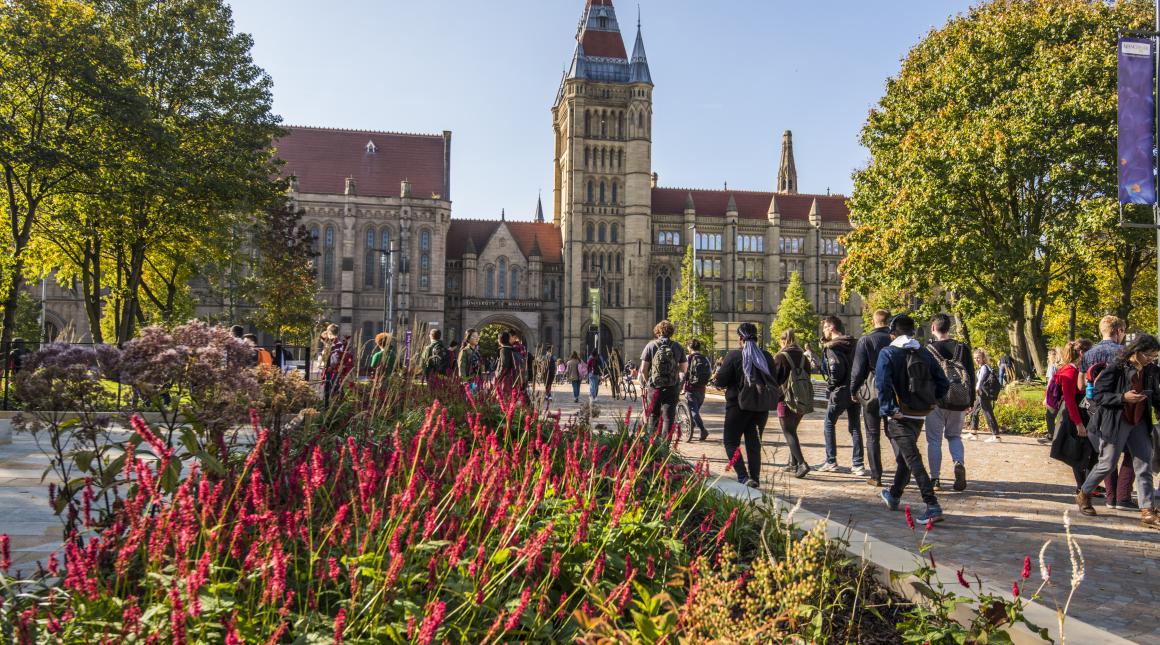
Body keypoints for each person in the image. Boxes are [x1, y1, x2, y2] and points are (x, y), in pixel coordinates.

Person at [1076, 333, 1160, 530]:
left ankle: (1147, 511)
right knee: (1107, 463)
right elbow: (1098, 395)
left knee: (1144, 465)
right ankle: (1084, 493)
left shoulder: (1150, 370)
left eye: (1154, 356)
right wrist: (1122, 397)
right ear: (1136, 351)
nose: (1151, 359)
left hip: (1139, 421)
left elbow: (1156, 396)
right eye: (1148, 355)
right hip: (1116, 420)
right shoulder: (1117, 367)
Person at [876, 314, 950, 523]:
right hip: (919, 413)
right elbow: (943, 383)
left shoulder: (888, 353)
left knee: (913, 459)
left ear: (893, 333)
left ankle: (932, 504)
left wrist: (889, 409)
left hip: (899, 414)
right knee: (906, 457)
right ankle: (894, 495)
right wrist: (932, 401)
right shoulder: (923, 352)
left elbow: (882, 383)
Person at [712, 322, 775, 488]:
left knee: (730, 442)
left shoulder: (734, 356)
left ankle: (743, 476)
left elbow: (721, 380)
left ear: (740, 338)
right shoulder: (766, 356)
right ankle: (755, 478)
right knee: (754, 444)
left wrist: (717, 382)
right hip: (760, 406)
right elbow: (773, 378)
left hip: (737, 406)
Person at [1081, 316, 1134, 509]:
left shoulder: (1089, 354)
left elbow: (1081, 384)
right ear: (1119, 331)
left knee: (1106, 453)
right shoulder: (1124, 353)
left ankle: (1111, 497)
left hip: (1094, 407)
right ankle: (1123, 496)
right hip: (1119, 406)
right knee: (1130, 451)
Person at [923, 313, 975, 492]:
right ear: (949, 328)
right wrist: (970, 400)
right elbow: (971, 375)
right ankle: (958, 463)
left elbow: (925, 376)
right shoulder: (962, 348)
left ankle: (935, 479)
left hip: (936, 400)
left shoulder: (928, 349)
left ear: (933, 328)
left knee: (934, 440)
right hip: (958, 399)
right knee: (954, 436)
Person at [816, 316, 864, 474]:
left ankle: (831, 461)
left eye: (825, 328)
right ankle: (858, 464)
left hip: (840, 391)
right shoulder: (855, 344)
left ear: (831, 328)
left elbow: (835, 370)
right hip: (855, 390)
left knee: (829, 423)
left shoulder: (832, 347)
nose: (823, 331)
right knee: (855, 426)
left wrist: (830, 386)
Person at [850, 309, 893, 486]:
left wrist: (853, 390)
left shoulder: (866, 340)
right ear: (888, 321)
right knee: (894, 433)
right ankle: (904, 471)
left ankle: (876, 476)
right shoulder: (894, 339)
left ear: (874, 321)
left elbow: (858, 370)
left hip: (872, 393)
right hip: (893, 391)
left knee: (872, 434)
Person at [1049, 340, 1094, 494]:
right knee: (1078, 449)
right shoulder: (1069, 372)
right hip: (1072, 414)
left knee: (1083, 448)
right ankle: (1082, 486)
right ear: (1082, 354)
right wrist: (1078, 423)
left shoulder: (1074, 369)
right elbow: (1069, 400)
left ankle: (1085, 484)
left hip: (1076, 412)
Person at [639, 320, 689, 437]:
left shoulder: (650, 345)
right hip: (672, 386)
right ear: (671, 332)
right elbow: (684, 369)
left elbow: (643, 369)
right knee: (668, 417)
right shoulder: (677, 346)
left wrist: (648, 382)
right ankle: (665, 445)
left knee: (653, 415)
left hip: (654, 387)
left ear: (657, 332)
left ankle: (652, 443)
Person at [773, 328, 811, 478]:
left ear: (783, 341)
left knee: (788, 431)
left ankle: (802, 463)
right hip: (801, 399)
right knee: (793, 430)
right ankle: (793, 463)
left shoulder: (780, 357)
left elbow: (774, 379)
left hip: (785, 399)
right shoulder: (804, 357)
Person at [967, 349, 1002, 441]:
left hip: (984, 394)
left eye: (978, 357)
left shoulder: (984, 367)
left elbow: (980, 381)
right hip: (981, 393)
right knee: (974, 411)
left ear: (983, 358)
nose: (976, 360)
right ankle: (973, 433)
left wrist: (976, 388)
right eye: (975, 358)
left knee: (988, 413)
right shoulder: (982, 367)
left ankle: (996, 436)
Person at [684, 339, 712, 441]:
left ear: (689, 347)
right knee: (694, 412)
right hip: (702, 390)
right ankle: (691, 428)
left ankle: (703, 430)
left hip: (691, 389)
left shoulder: (689, 357)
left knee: (693, 412)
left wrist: (680, 387)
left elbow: (684, 373)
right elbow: (710, 372)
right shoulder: (705, 358)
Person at [495, 330, 527, 404]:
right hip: (514, 377)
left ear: (500, 339)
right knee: (511, 399)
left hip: (506, 379)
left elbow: (504, 366)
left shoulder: (504, 349)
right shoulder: (513, 349)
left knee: (504, 400)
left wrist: (498, 378)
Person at [1041, 347, 1062, 444]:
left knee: (1050, 415)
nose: (1048, 357)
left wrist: (1046, 397)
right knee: (1056, 416)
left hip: (1053, 393)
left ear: (1053, 356)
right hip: (1059, 392)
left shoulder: (1052, 366)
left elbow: (1050, 382)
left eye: (1049, 355)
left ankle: (1051, 436)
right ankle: (1054, 435)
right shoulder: (1060, 366)